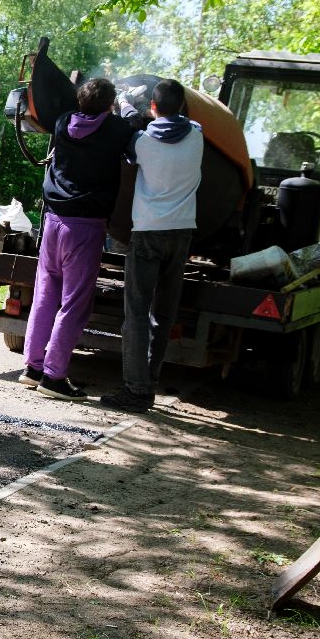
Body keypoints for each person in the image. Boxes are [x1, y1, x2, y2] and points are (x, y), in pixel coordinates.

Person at [20, 77, 135, 400]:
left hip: (53, 221)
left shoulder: (61, 123)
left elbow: (77, 112)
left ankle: (33, 366)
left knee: (45, 294)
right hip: (85, 226)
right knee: (74, 303)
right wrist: (127, 103)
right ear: (110, 105)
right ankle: (54, 376)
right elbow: (133, 124)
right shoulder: (114, 129)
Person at [102, 79, 203, 413]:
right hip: (182, 233)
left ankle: (136, 390)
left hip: (147, 233)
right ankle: (151, 379)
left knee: (137, 313)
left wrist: (127, 103)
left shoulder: (143, 143)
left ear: (154, 108)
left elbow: (132, 131)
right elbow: (177, 124)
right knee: (163, 313)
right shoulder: (198, 135)